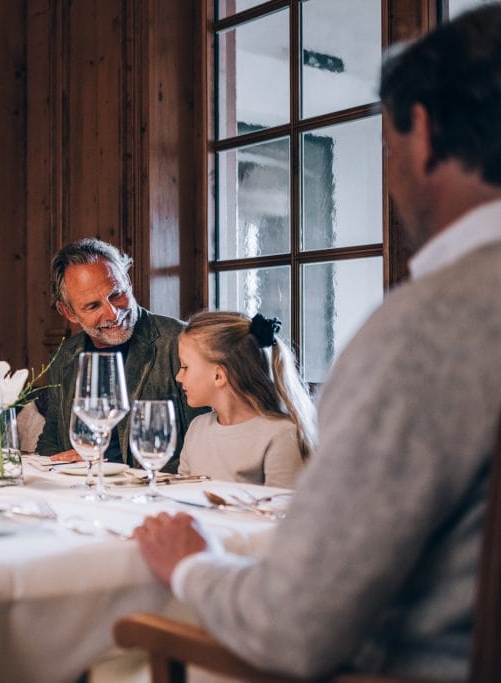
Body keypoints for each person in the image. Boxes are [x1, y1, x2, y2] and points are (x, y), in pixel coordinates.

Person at [133, 6, 501, 679]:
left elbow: (292, 624)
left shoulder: (425, 332)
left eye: (385, 146)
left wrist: (189, 563)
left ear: (421, 130)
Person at [37, 238, 206, 470]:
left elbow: (205, 446)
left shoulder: (180, 342)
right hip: (87, 493)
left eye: (116, 294)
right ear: (68, 312)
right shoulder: (65, 356)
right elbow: (51, 443)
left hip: (159, 493)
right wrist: (65, 463)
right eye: (93, 306)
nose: (113, 313)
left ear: (127, 280)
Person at [175, 310, 316, 488]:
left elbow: (283, 512)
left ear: (218, 376)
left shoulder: (281, 435)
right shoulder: (197, 428)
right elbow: (180, 494)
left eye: (185, 367)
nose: (178, 377)